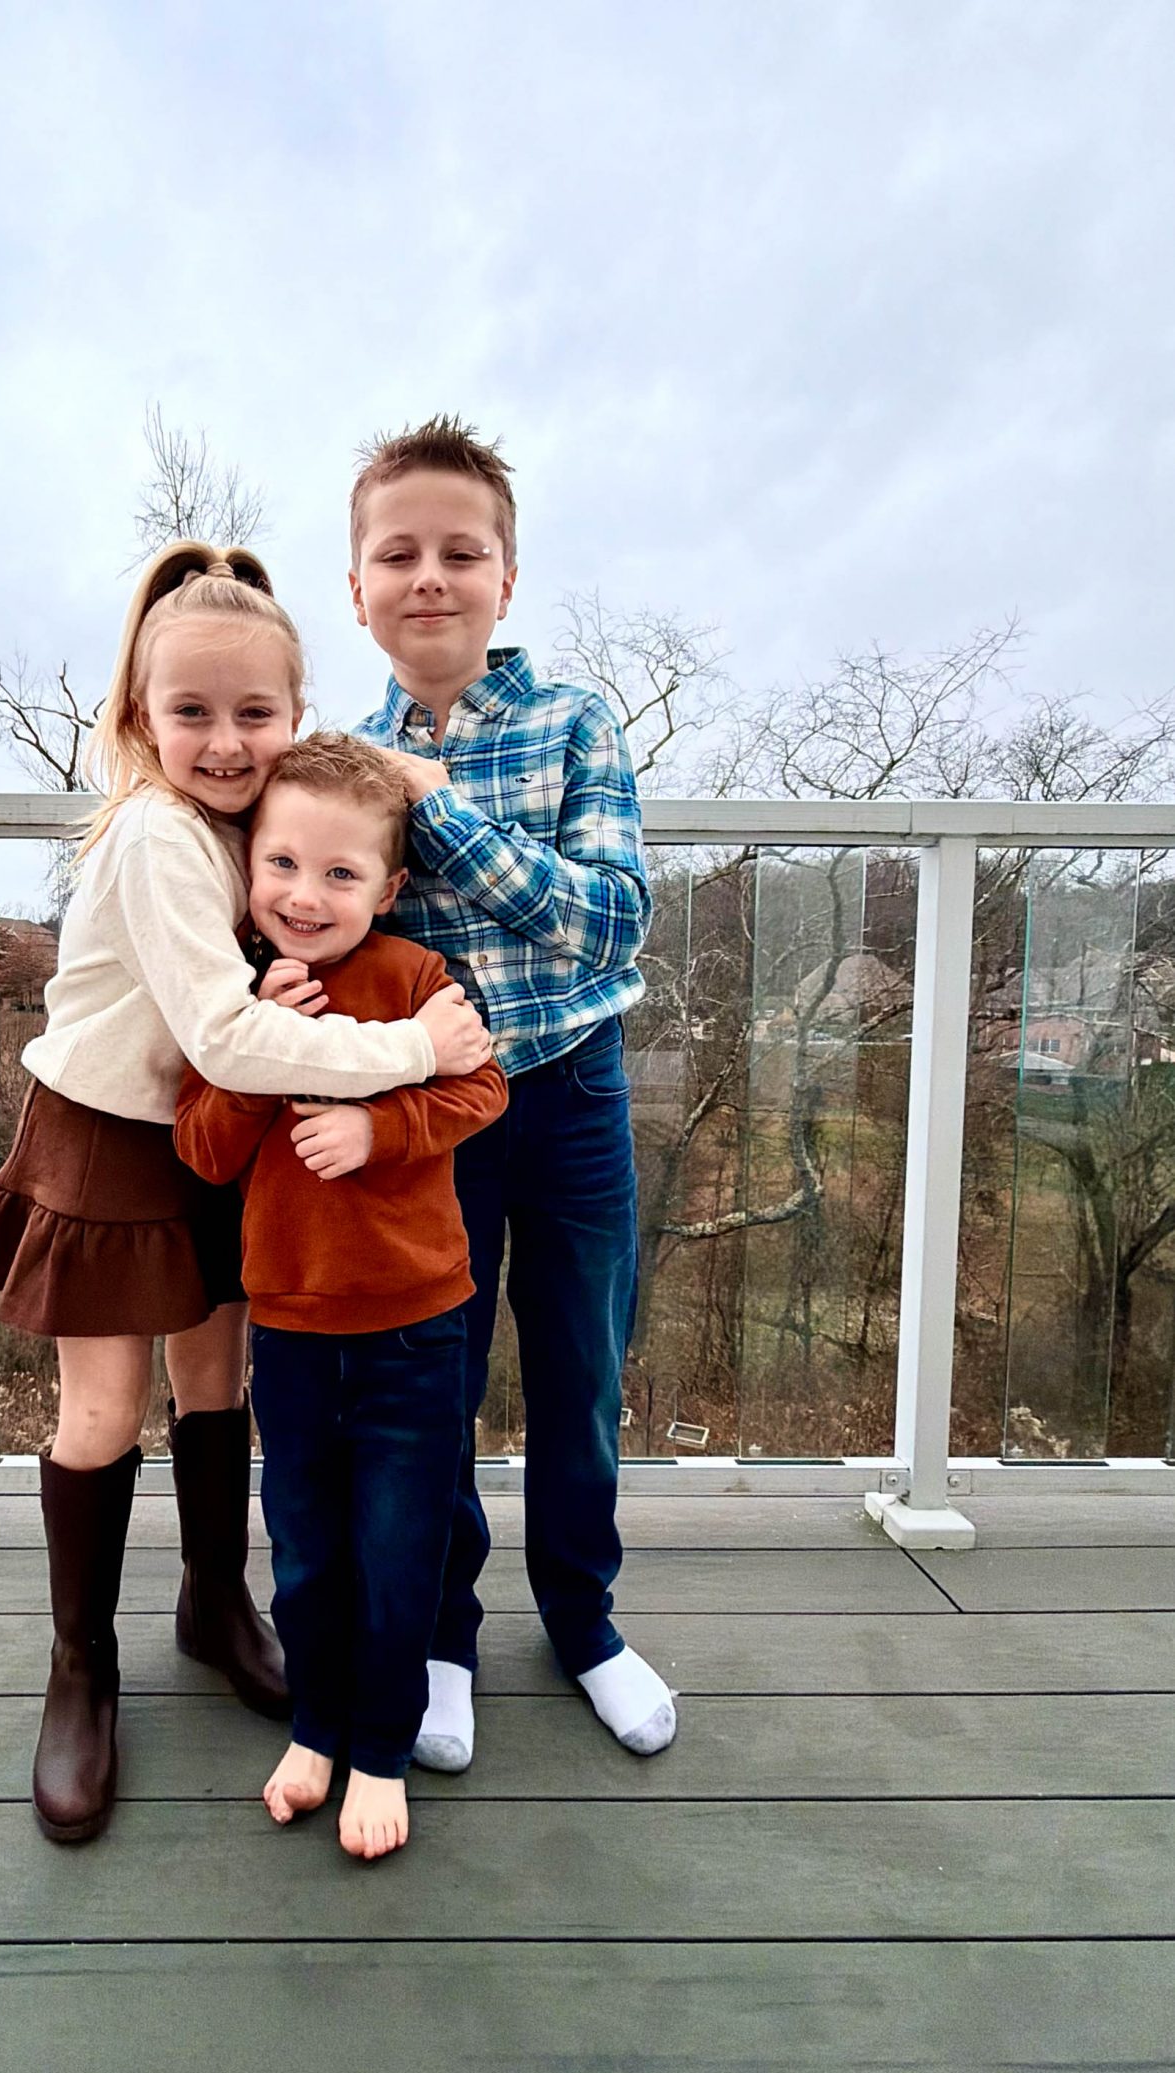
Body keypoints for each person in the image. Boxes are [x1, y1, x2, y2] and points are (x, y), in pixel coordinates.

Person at [0, 545, 492, 1845]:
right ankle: (81, 1671)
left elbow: (358, 812)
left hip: (214, 1137)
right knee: (100, 1411)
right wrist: (415, 1051)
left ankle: (214, 1601)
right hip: (109, 1137)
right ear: (141, 715)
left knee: (215, 1383)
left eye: (256, 713)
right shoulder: (154, 834)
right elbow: (231, 1036)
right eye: (192, 712)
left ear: (295, 714)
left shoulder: (259, 819)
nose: (229, 742)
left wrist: (412, 775)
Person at [347, 416, 678, 1767]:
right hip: (433, 1115)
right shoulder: (341, 760)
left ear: (506, 578)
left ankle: (584, 1622)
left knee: (580, 1369)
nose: (429, 576)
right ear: (357, 587)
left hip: (573, 1096)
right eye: (398, 554)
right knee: (433, 1378)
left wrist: (440, 813)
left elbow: (610, 923)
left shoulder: (572, 721)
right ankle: (443, 1637)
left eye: (459, 551)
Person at [176, 736, 507, 1858]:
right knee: (307, 1552)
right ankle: (315, 1728)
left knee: (400, 1553)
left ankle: (380, 1749)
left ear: (389, 885)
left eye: (340, 873)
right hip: (293, 1335)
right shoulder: (238, 994)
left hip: (417, 1330)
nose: (305, 897)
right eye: (281, 865)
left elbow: (481, 1088)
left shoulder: (414, 978)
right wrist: (260, 1050)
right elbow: (204, 1149)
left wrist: (379, 1127)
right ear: (248, 867)